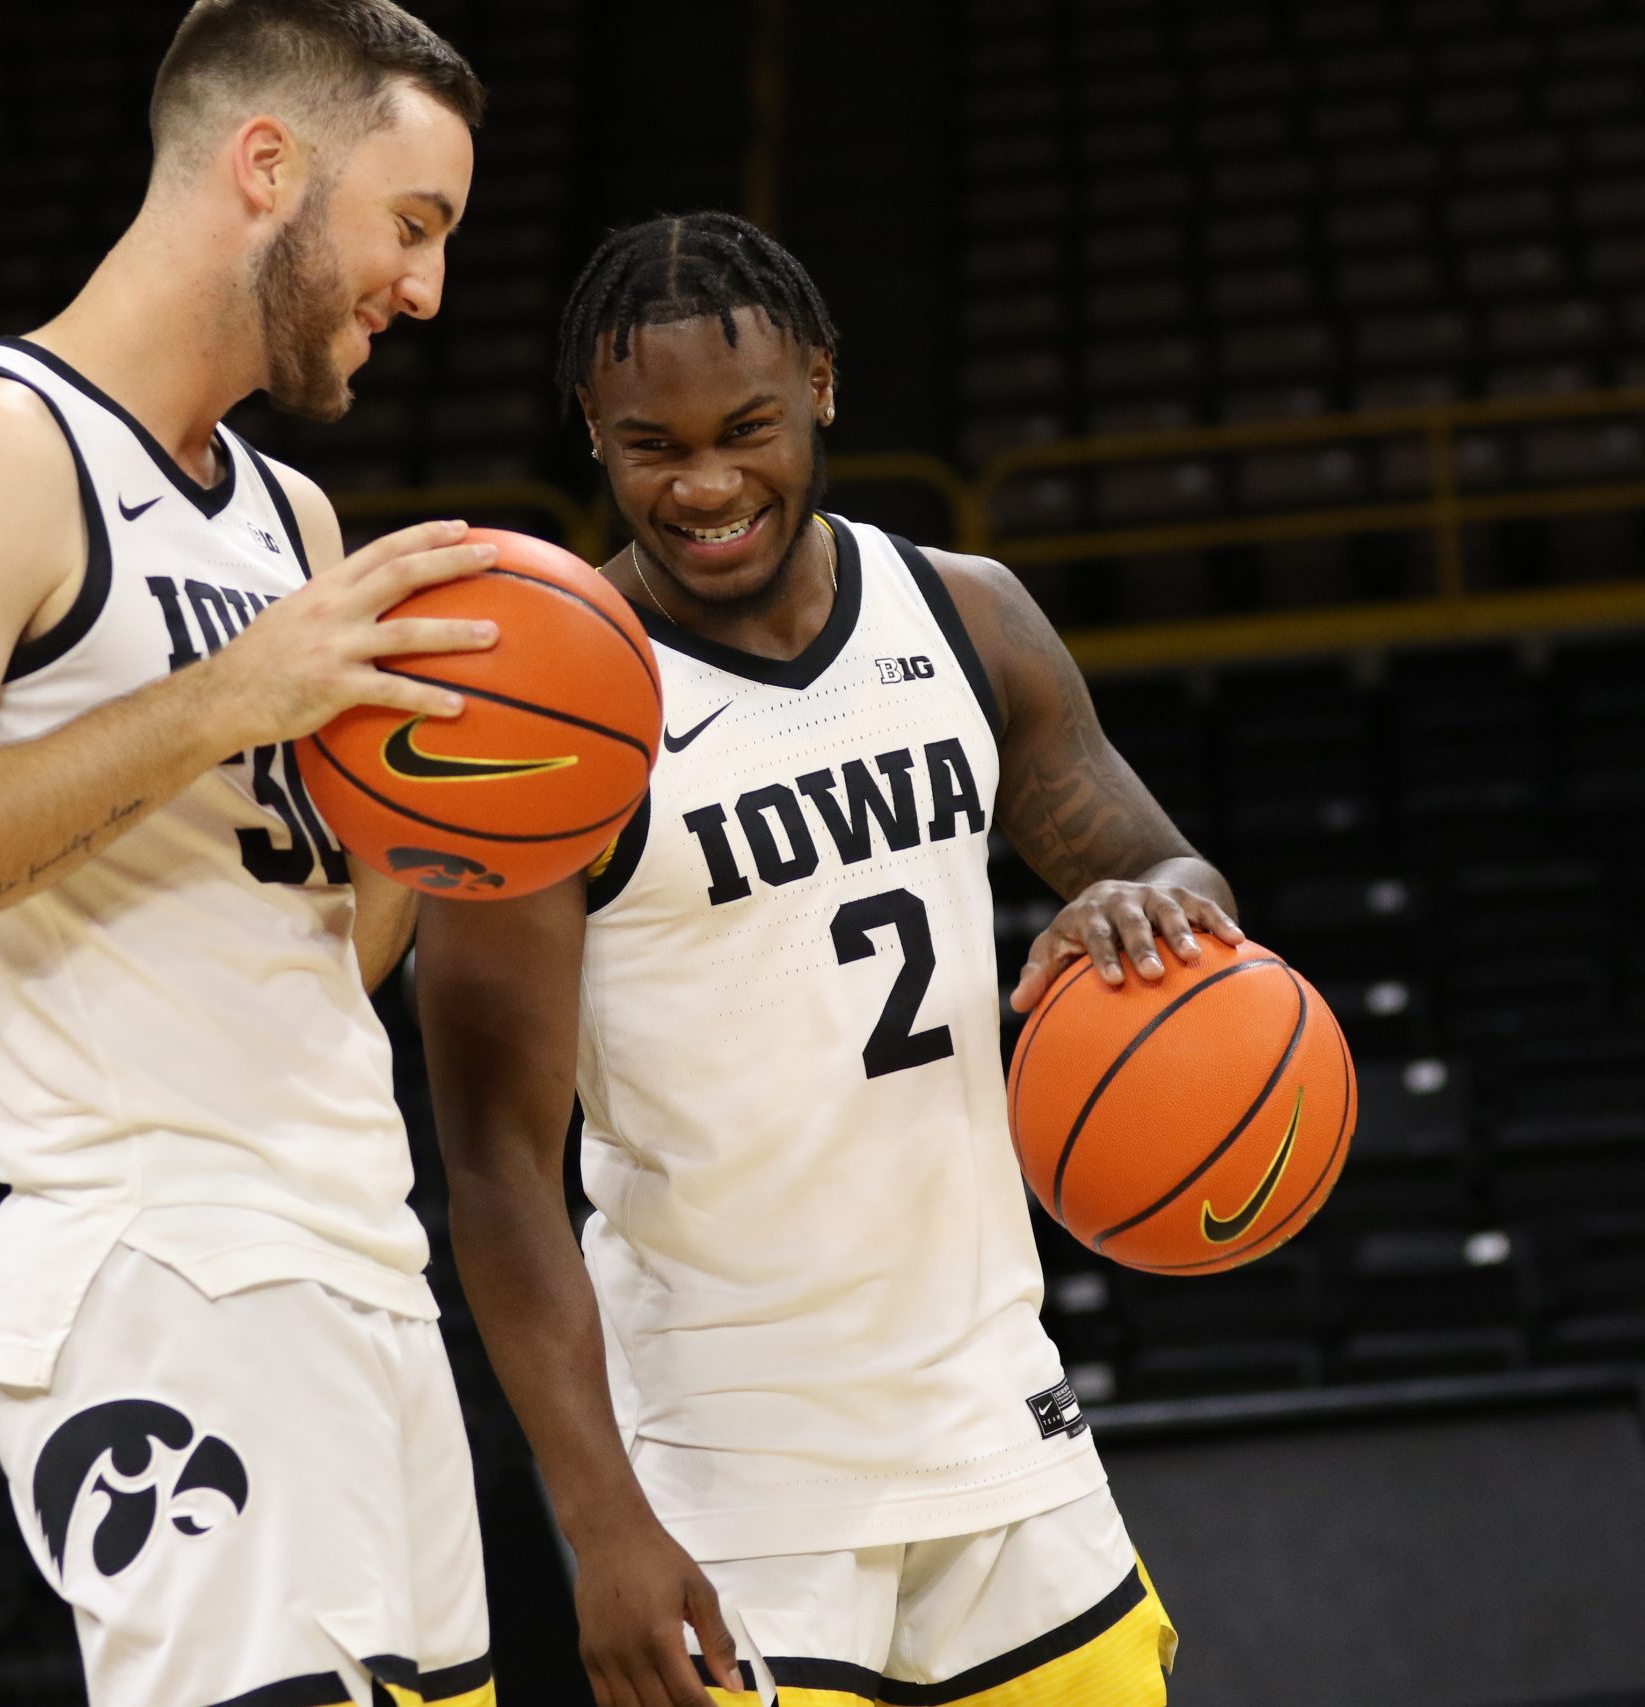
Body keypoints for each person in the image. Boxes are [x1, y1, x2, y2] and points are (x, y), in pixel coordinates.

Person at [0, 5, 499, 1703]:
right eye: (414, 225)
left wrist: (440, 819)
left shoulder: (289, 521)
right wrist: (219, 699)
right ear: (267, 168)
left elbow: (319, 957)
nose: (427, 289)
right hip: (163, 1268)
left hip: (361, 1272)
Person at [415, 213, 1235, 1707]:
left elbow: (1177, 874)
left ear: (825, 391)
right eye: (650, 445)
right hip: (732, 1488)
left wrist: (1141, 909)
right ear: (590, 436)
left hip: (1005, 1446)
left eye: (749, 429)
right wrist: (601, 1522)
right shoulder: (541, 722)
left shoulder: (968, 615)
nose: (709, 484)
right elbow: (490, 1167)